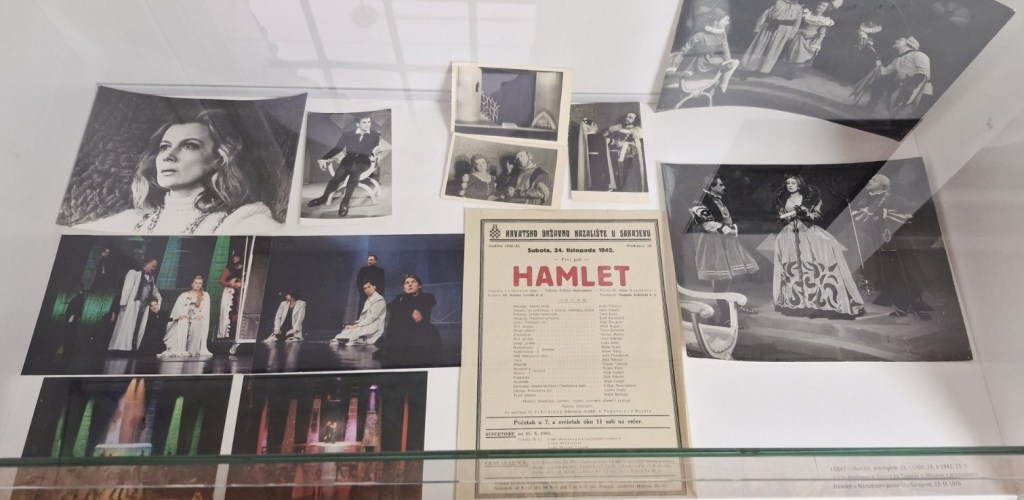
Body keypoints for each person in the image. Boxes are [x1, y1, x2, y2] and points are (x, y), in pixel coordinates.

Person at [76, 110, 283, 234]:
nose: (169, 155)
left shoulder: (241, 219)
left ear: (218, 158)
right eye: (164, 147)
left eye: (189, 145)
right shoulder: (133, 220)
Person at [773, 175, 865, 318]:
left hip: (807, 231)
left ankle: (820, 301)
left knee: (813, 263)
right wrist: (784, 218)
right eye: (788, 183)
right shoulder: (783, 199)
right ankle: (800, 301)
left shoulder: (809, 198)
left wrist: (805, 213)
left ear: (799, 185)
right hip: (790, 234)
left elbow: (816, 215)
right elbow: (783, 216)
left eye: (793, 183)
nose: (790, 185)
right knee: (794, 266)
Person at [851, 174, 934, 319]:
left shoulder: (893, 198)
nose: (869, 181)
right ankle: (899, 304)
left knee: (903, 273)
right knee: (888, 274)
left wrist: (884, 213)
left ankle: (914, 305)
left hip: (896, 243)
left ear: (883, 186)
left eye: (874, 180)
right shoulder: (866, 200)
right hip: (878, 244)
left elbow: (911, 213)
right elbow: (858, 216)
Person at [689, 176, 760, 324]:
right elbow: (707, 225)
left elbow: (727, 218)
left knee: (733, 276)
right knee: (720, 281)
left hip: (727, 242)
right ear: (711, 187)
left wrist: (733, 228)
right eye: (720, 185)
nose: (723, 187)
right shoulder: (699, 202)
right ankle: (725, 316)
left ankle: (735, 306)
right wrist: (730, 229)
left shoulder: (720, 199)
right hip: (713, 245)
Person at [307, 114, 388, 217]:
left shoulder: (375, 135)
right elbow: (337, 148)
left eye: (369, 122)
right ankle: (323, 197)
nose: (368, 124)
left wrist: (375, 152)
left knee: (355, 170)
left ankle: (345, 203)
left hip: (363, 162)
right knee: (337, 177)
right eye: (364, 122)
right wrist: (324, 158)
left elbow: (373, 149)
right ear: (358, 124)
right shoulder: (348, 134)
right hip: (348, 161)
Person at [856, 37, 933, 117]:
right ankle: (871, 106)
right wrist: (876, 57)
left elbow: (924, 74)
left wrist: (909, 86)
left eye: (900, 40)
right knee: (881, 79)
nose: (896, 40)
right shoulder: (897, 59)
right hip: (903, 86)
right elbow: (884, 72)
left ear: (909, 45)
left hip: (920, 91)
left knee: (909, 114)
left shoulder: (919, 55)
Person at [375, 274, 441, 366]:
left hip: (421, 331)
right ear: (403, 288)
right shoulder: (399, 298)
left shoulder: (427, 296)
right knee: (395, 315)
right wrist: (411, 311)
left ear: (419, 286)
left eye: (413, 282)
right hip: (403, 332)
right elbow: (391, 307)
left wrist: (409, 310)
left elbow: (425, 306)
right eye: (407, 283)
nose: (410, 284)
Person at [669, 8, 739, 93]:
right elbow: (685, 49)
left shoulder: (722, 34)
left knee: (733, 63)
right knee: (721, 61)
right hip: (698, 63)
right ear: (715, 22)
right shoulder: (699, 35)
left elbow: (725, 49)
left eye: (727, 20)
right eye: (725, 20)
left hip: (711, 60)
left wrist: (728, 61)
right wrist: (677, 62)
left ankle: (722, 87)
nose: (727, 23)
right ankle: (714, 85)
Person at [108, 258, 161, 352]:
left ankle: (131, 346)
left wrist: (158, 302)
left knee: (137, 326)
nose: (153, 269)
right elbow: (127, 288)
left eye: (155, 267)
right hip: (132, 304)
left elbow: (155, 291)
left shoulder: (151, 279)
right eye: (152, 266)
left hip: (143, 307)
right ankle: (120, 347)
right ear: (146, 264)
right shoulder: (134, 273)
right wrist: (124, 304)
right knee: (126, 326)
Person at [739, 0, 804, 74]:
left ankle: (764, 70)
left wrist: (792, 35)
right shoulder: (777, 2)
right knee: (760, 46)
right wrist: (757, 28)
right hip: (769, 27)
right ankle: (749, 66)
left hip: (784, 31)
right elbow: (764, 15)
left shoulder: (798, 8)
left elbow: (797, 23)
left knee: (773, 50)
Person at [159, 276, 212, 358]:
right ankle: (181, 348)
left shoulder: (205, 295)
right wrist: (182, 314)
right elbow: (178, 308)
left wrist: (200, 315)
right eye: (196, 283)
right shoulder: (184, 295)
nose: (198, 285)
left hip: (196, 317)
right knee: (182, 321)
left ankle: (192, 350)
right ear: (192, 284)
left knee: (197, 323)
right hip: (186, 317)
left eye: (200, 283)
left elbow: (205, 309)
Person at [780, 2, 835, 77]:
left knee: (802, 58)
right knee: (793, 56)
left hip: (809, 41)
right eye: (820, 4)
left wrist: (816, 44)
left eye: (823, 6)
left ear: (826, 9)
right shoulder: (806, 13)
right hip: (799, 37)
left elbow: (822, 35)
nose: (820, 6)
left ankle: (792, 72)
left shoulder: (824, 20)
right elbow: (797, 24)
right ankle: (789, 71)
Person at [605, 112, 645, 192]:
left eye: (630, 117)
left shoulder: (636, 130)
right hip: (614, 154)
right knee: (614, 175)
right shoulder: (617, 128)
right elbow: (608, 137)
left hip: (628, 157)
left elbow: (638, 146)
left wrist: (625, 144)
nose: (627, 118)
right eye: (627, 117)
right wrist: (612, 142)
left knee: (626, 177)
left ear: (635, 120)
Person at [575, 118, 615, 191]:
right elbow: (603, 154)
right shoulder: (599, 137)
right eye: (594, 125)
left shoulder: (581, 139)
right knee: (598, 181)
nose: (596, 126)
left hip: (586, 162)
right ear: (591, 127)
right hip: (597, 162)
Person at [217, 253, 245, 339]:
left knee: (236, 311)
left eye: (237, 257)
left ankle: (233, 333)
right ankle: (223, 334)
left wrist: (241, 284)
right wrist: (230, 284)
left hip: (239, 292)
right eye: (234, 257)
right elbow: (222, 280)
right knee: (226, 311)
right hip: (229, 292)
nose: (234, 259)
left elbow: (245, 281)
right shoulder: (229, 269)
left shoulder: (244, 269)